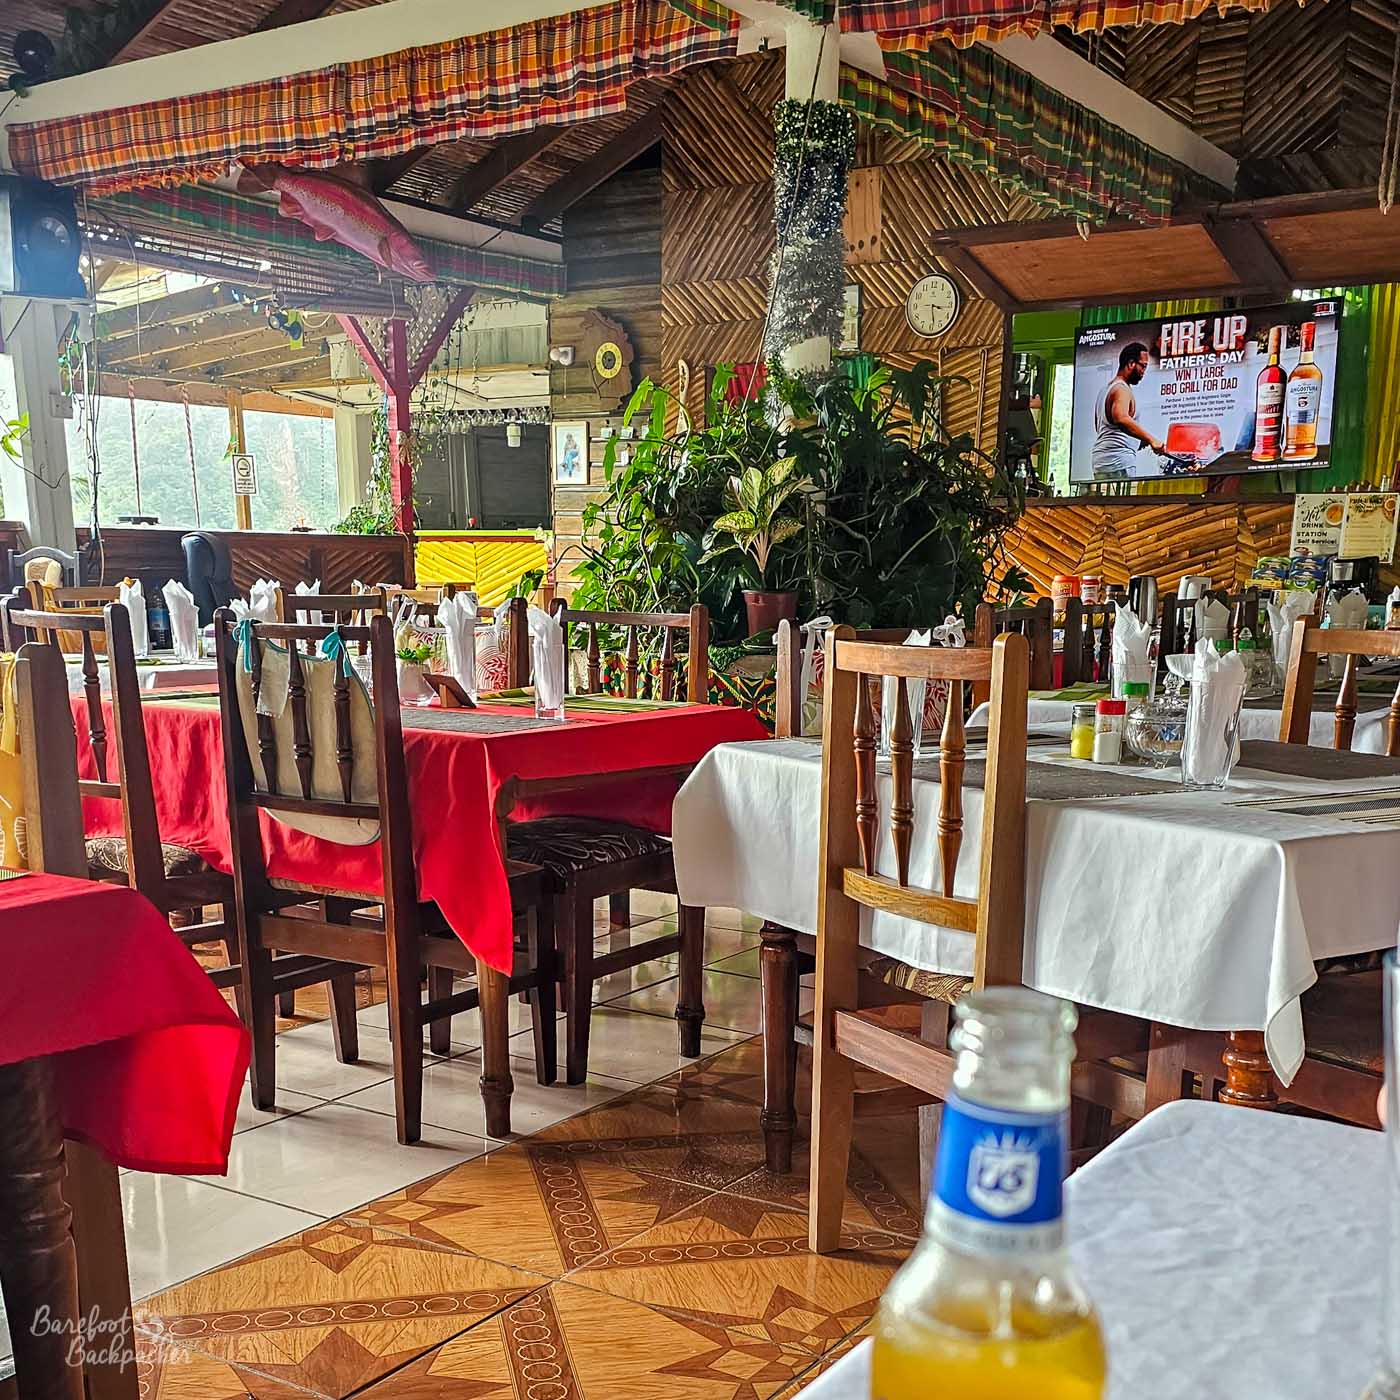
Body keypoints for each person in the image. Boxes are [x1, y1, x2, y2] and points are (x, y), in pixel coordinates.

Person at [1091, 341, 1164, 478]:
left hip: (1100, 461)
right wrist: (1152, 440)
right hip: (1118, 462)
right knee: (1122, 500)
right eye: (1143, 366)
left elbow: (1103, 427)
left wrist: (1140, 441)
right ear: (1131, 363)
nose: (1143, 372)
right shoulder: (1121, 389)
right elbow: (1121, 418)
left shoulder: (1105, 390)